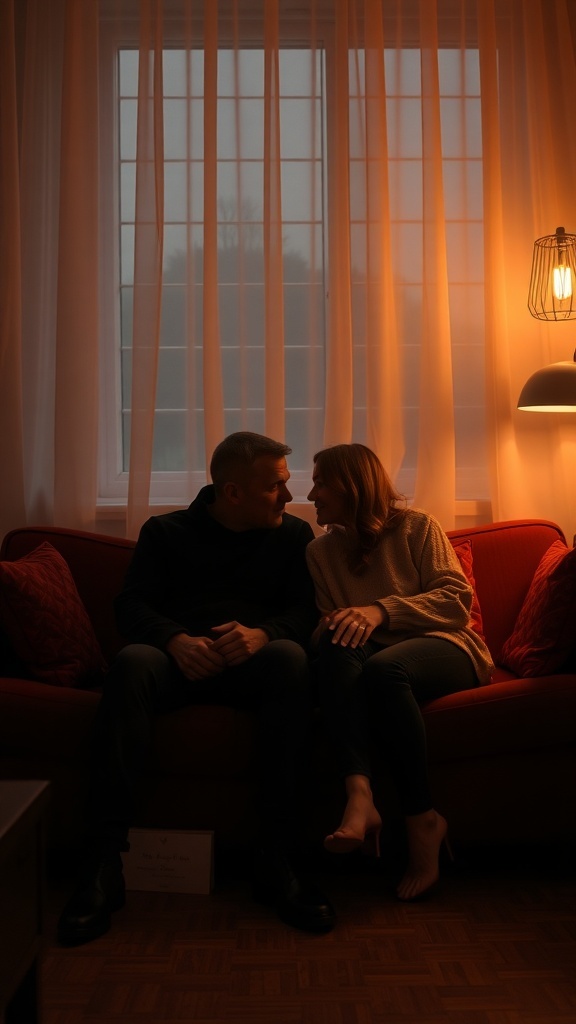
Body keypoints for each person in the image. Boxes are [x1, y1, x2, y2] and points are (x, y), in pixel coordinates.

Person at [57, 432, 335, 945]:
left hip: (255, 665)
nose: (290, 498)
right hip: (177, 666)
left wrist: (263, 634)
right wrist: (173, 640)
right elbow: (131, 606)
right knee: (131, 663)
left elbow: (305, 612)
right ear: (232, 492)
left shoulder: (293, 537)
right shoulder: (165, 533)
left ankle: (276, 859)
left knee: (291, 658)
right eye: (276, 486)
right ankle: (102, 865)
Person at [306, 443, 493, 902]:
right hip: (369, 658)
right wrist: (330, 626)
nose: (311, 494)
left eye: (320, 483)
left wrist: (379, 611)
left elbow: (455, 602)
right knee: (341, 646)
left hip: (447, 646)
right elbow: (332, 622)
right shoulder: (320, 553)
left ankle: (422, 820)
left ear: (351, 485)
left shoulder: (417, 527)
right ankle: (360, 795)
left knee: (385, 670)